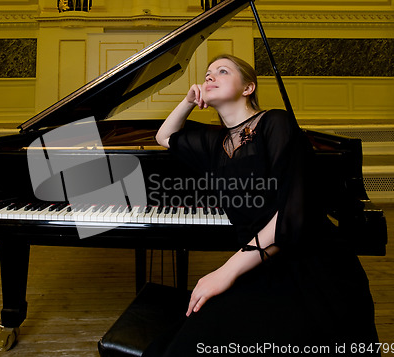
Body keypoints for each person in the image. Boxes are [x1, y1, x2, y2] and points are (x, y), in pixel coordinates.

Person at [142, 54, 379, 356]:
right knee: (176, 346)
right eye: (208, 73)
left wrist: (225, 272)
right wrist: (188, 100)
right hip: (258, 266)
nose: (210, 77)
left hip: (309, 266)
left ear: (248, 88)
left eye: (222, 71)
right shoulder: (216, 144)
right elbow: (165, 136)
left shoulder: (274, 123)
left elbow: (293, 214)